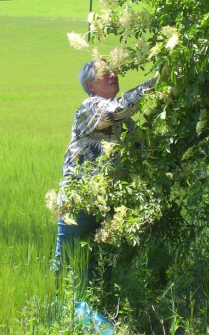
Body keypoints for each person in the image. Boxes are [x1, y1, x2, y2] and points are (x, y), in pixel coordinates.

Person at [52, 59, 157, 273]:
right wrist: (157, 81)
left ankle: (100, 307)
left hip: (107, 204)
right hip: (78, 204)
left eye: (113, 71)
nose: (112, 75)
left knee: (102, 269)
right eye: (104, 73)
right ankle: (61, 307)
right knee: (67, 267)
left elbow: (145, 149)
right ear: (91, 86)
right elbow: (118, 108)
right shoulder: (90, 106)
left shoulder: (124, 123)